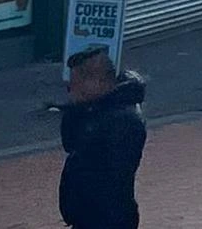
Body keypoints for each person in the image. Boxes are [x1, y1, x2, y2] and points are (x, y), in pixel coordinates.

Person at [58, 46, 145, 229]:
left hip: (106, 220)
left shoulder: (123, 120)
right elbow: (70, 142)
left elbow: (111, 175)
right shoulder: (95, 110)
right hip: (86, 216)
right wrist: (77, 110)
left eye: (76, 84)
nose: (71, 90)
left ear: (97, 82)